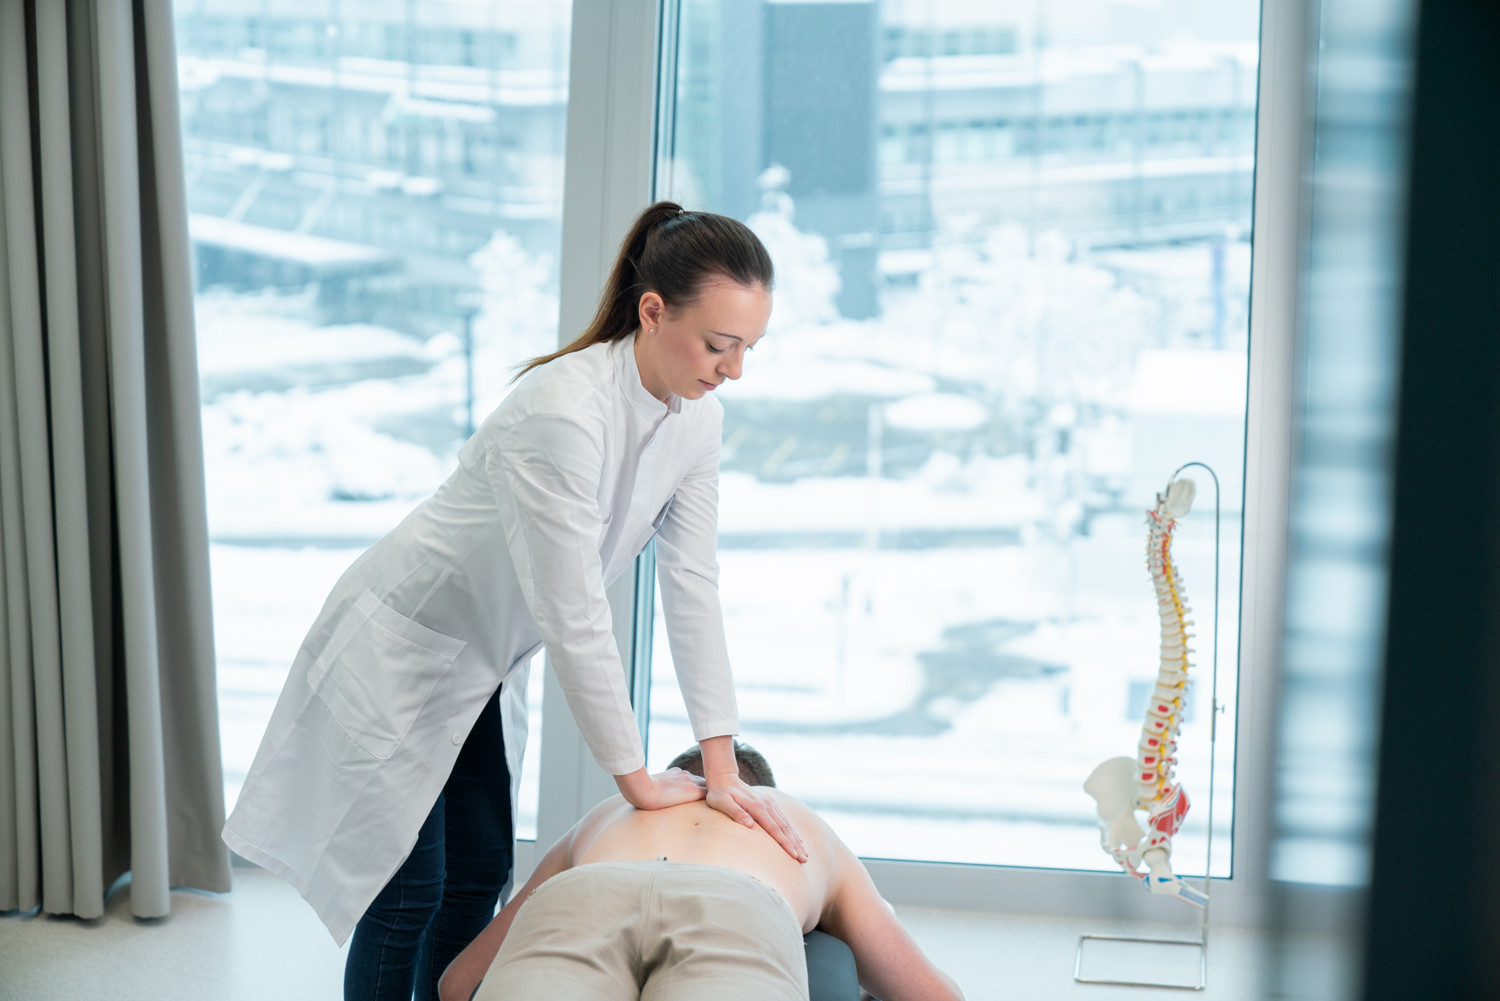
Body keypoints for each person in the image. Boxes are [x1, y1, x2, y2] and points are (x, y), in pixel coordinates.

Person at [222, 203, 807, 1001]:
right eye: (719, 344)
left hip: (482, 661)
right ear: (652, 310)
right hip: (403, 643)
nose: (733, 368)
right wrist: (634, 777)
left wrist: (718, 762)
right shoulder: (563, 410)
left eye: (749, 348)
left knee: (481, 870)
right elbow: (574, 613)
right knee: (407, 892)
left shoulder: (696, 422)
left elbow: (692, 585)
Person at [437, 744, 966, 1001]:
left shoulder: (606, 815)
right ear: (760, 794)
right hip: (737, 906)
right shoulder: (793, 823)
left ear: (674, 781)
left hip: (583, 896)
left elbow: (458, 985)